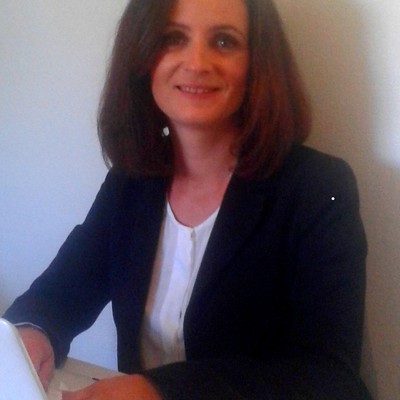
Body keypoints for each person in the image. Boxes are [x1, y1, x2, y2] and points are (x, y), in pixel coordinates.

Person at [3, 0, 372, 398]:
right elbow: (63, 290)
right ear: (142, 57)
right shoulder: (132, 180)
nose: (196, 63)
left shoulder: (317, 188)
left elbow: (330, 377)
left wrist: (158, 391)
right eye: (173, 38)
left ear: (257, 62)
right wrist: (32, 333)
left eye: (224, 41)